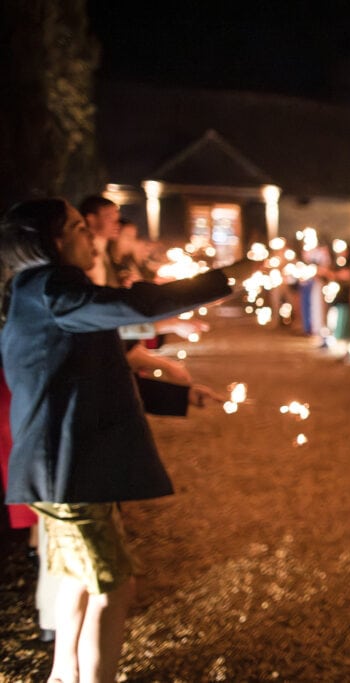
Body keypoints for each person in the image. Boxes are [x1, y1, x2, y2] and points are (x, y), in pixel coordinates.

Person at [0, 198, 238, 683]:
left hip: (66, 467)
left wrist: (180, 396)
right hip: (68, 470)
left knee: (79, 580)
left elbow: (87, 376)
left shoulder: (36, 292)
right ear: (50, 241)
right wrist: (223, 279)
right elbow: (138, 304)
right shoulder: (52, 288)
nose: (89, 234)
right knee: (114, 585)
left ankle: (64, 673)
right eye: (76, 227)